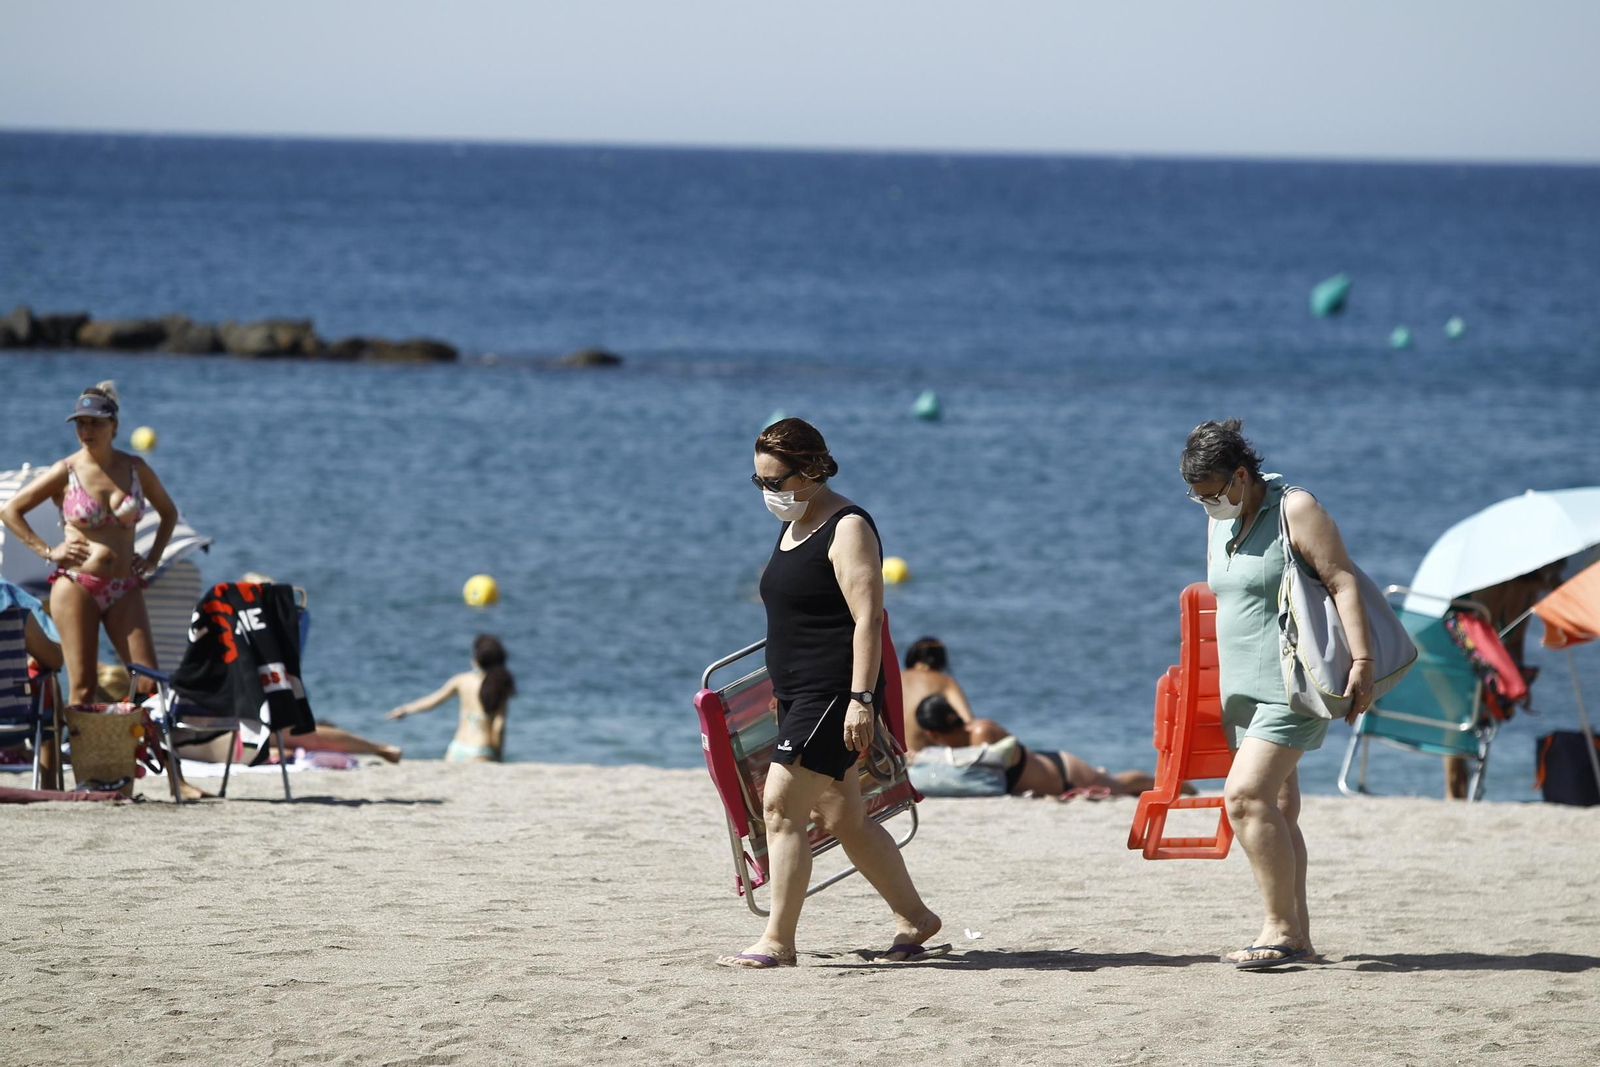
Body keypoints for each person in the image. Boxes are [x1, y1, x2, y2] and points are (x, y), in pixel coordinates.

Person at [719, 417, 941, 969]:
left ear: (812, 470)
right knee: (845, 818)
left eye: (777, 482)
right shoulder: (795, 526)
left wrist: (861, 699)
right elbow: (800, 618)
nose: (769, 494)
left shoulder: (848, 527)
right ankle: (915, 918)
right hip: (796, 693)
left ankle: (777, 941)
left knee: (781, 806)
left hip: (835, 693)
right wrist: (779, 690)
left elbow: (867, 620)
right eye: (760, 483)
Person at [1181, 418, 1373, 970]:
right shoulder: (1219, 519)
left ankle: (1281, 929)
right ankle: (1302, 939)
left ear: (1242, 475)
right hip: (1241, 690)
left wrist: (1361, 661)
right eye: (1197, 498)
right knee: (1280, 811)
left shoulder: (1296, 508)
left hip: (1295, 687)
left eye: (1213, 493)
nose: (1207, 505)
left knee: (1244, 799)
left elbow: (1340, 581)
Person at [0, 382, 204, 798]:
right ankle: (89, 779)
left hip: (125, 586)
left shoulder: (135, 468)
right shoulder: (67, 469)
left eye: (94, 423)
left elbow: (167, 514)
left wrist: (154, 557)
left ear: (114, 425)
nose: (86, 431)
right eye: (80, 424)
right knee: (82, 688)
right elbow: (9, 509)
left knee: (147, 682)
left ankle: (174, 777)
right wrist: (48, 550)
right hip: (76, 585)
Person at [1443, 562, 1564, 798]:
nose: (1560, 574)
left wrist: (1517, 679)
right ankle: (1456, 793)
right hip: (1455, 661)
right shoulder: (1496, 585)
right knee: (1464, 719)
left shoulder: (1526, 592)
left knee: (1475, 717)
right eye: (1557, 568)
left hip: (1475, 667)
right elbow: (1482, 634)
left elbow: (1513, 643)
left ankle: (1466, 790)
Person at [913, 693, 1161, 798]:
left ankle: (1176, 786)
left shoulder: (981, 732)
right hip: (1045, 772)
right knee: (1116, 783)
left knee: (1121, 786)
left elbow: (977, 772)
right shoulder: (957, 745)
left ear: (933, 734)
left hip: (1063, 772)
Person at [386, 634, 513, 762]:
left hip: (457, 748)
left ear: (476, 659)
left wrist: (405, 709)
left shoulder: (462, 680)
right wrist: (498, 755)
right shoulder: (499, 685)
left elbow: (433, 700)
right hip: (481, 750)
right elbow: (498, 726)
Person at [899, 636, 975, 752]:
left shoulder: (895, 678)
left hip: (888, 759)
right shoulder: (945, 681)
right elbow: (968, 723)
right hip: (921, 760)